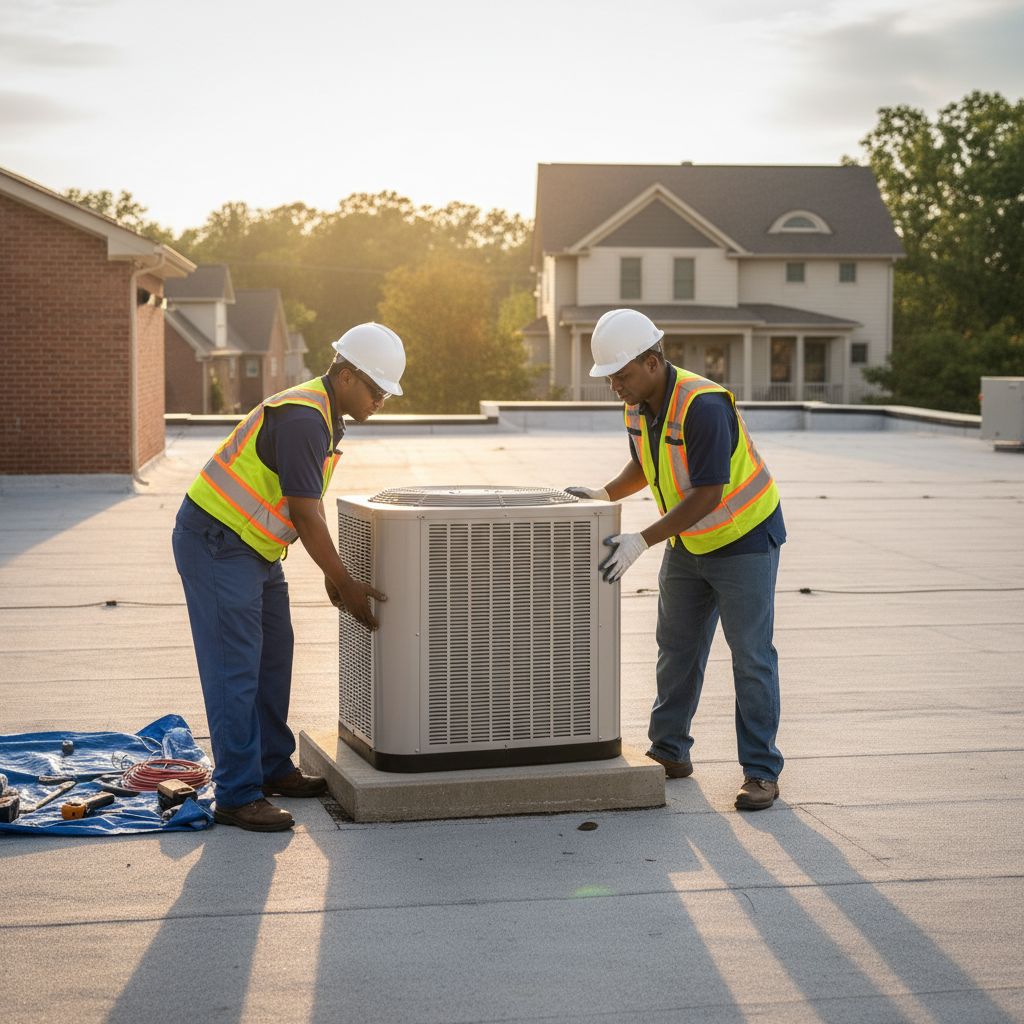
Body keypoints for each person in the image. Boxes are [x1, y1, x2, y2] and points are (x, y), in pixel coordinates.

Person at [172, 323, 405, 831]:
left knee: (273, 655)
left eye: (386, 392)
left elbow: (304, 502)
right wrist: (343, 580)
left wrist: (331, 569)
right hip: (216, 543)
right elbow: (305, 513)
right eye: (376, 389)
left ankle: (272, 767)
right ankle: (237, 793)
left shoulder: (325, 414)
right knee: (235, 670)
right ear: (344, 376)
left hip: (253, 549)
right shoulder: (304, 418)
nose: (381, 400)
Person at [567, 309, 785, 811]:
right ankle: (669, 751)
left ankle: (761, 771)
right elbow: (646, 463)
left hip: (743, 539)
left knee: (751, 657)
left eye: (621, 376)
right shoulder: (637, 403)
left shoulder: (703, 405)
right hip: (689, 542)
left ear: (652, 361)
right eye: (610, 378)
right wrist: (604, 492)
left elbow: (708, 493)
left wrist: (641, 539)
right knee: (677, 647)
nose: (614, 387)